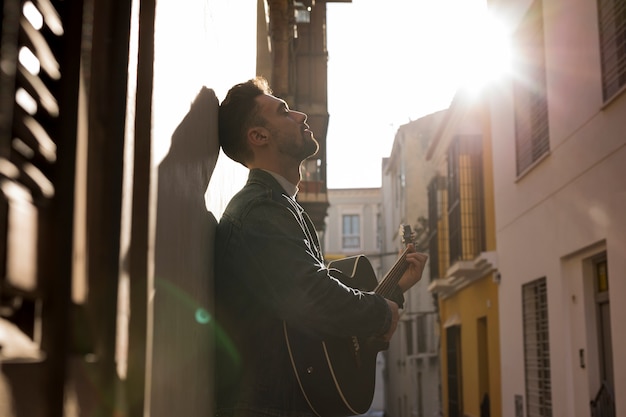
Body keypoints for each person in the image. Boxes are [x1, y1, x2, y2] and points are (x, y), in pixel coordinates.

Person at [214, 77, 428, 417]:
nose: (300, 116)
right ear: (258, 136)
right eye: (284, 111)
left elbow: (321, 331)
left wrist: (394, 290)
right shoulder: (262, 211)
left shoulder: (282, 207)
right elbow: (314, 297)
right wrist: (380, 311)